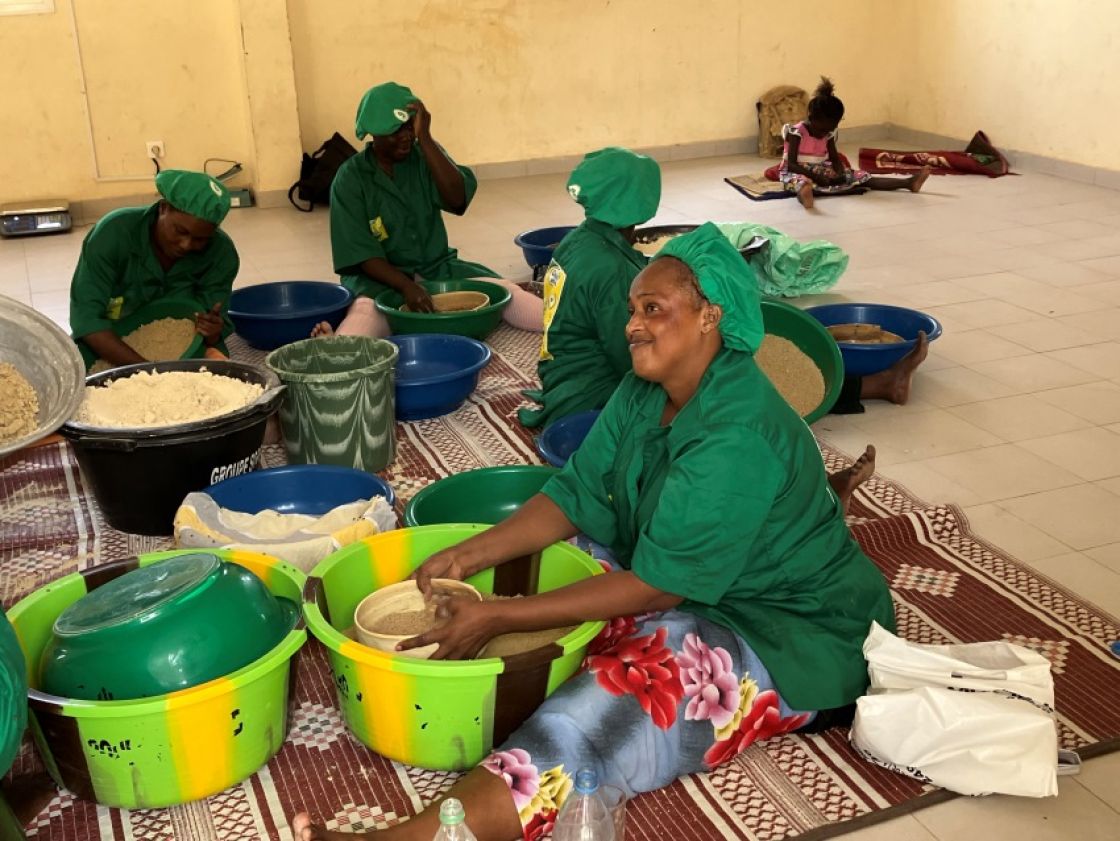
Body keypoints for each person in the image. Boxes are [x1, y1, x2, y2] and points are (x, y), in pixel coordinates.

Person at [291, 224, 896, 841]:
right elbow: (578, 494)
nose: (633, 324)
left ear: (711, 316)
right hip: (694, 577)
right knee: (564, 565)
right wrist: (466, 554)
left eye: (654, 309)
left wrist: (502, 616)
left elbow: (659, 585)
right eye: (633, 309)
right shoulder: (644, 388)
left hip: (790, 631)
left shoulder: (736, 433)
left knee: (626, 688)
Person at [315, 82, 542, 338]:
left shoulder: (425, 155)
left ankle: (568, 323)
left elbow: (458, 200)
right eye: (396, 131)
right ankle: (334, 347)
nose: (407, 136)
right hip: (378, 282)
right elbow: (361, 254)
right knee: (366, 316)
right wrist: (406, 287)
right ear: (373, 135)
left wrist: (426, 139)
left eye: (410, 126)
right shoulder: (350, 179)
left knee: (507, 294)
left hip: (437, 270)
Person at [518, 147, 661, 429]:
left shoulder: (577, 239)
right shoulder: (613, 271)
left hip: (558, 373)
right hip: (588, 391)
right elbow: (628, 355)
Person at [69, 170, 236, 367]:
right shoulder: (114, 234)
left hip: (186, 345)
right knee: (78, 369)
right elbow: (88, 319)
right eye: (180, 231)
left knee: (221, 373)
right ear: (163, 208)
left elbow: (211, 329)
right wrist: (149, 372)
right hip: (114, 338)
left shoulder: (221, 254)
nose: (186, 244)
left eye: (200, 239)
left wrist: (212, 330)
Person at [781, 77, 930, 209]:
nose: (824, 133)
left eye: (830, 129)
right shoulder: (796, 132)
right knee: (800, 182)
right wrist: (815, 177)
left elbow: (834, 158)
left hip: (821, 169)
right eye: (821, 129)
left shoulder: (829, 134)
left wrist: (839, 172)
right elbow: (792, 164)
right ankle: (806, 196)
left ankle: (908, 183)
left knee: (861, 176)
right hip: (798, 171)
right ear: (810, 116)